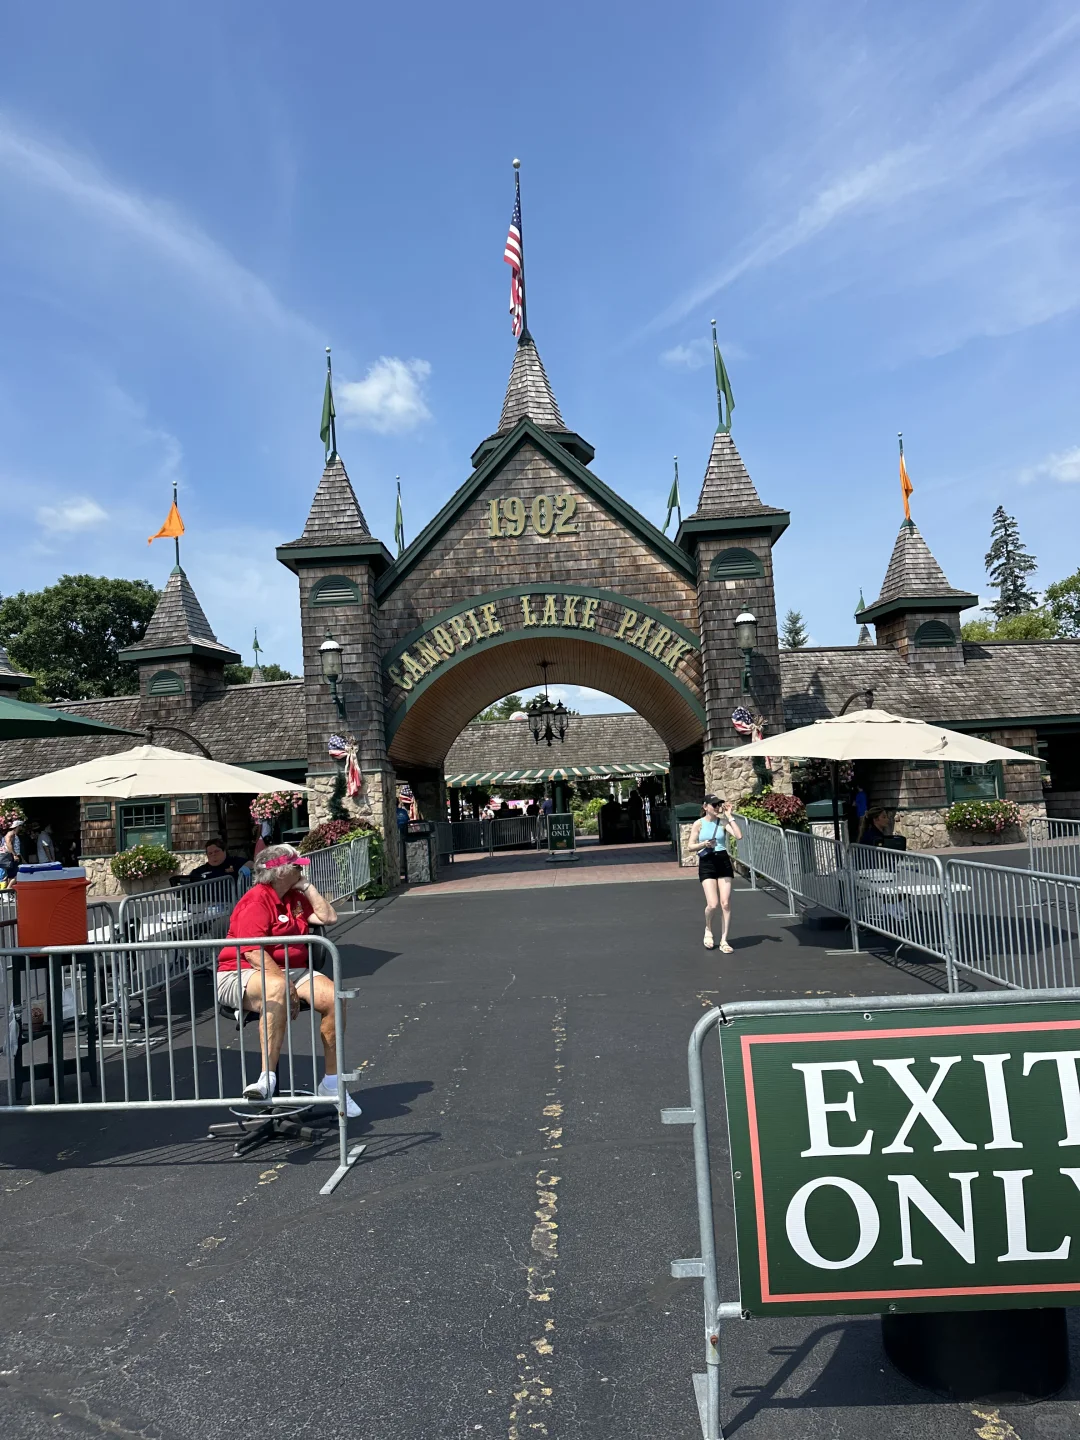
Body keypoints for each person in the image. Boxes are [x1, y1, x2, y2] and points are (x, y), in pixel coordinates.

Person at [216, 843, 361, 1115]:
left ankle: (332, 1083)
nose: (301, 870)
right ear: (280, 871)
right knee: (276, 989)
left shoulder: (295, 896)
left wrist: (307, 887)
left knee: (334, 998)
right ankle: (266, 1079)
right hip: (241, 971)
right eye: (297, 867)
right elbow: (251, 952)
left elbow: (329, 917)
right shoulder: (256, 900)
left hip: (289, 971)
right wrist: (287, 987)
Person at [687, 796, 743, 953]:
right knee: (713, 904)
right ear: (705, 806)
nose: (718, 807)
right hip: (707, 862)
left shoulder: (723, 822)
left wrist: (730, 816)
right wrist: (703, 844)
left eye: (719, 804)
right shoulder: (699, 824)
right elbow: (690, 846)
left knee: (725, 903)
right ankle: (708, 929)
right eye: (714, 804)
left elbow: (739, 836)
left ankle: (724, 940)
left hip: (723, 860)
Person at [184, 837, 249, 884]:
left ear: (224, 851)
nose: (213, 855)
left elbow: (252, 863)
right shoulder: (199, 871)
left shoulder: (234, 862)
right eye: (210, 853)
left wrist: (245, 867)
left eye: (216, 851)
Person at [0, 818, 25, 885]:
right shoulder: (11, 834)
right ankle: (9, 888)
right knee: (14, 873)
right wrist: (14, 855)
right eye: (21, 826)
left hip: (10, 856)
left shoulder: (14, 835)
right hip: (8, 856)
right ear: (18, 826)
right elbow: (8, 843)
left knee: (11, 874)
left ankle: (8, 889)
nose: (22, 827)